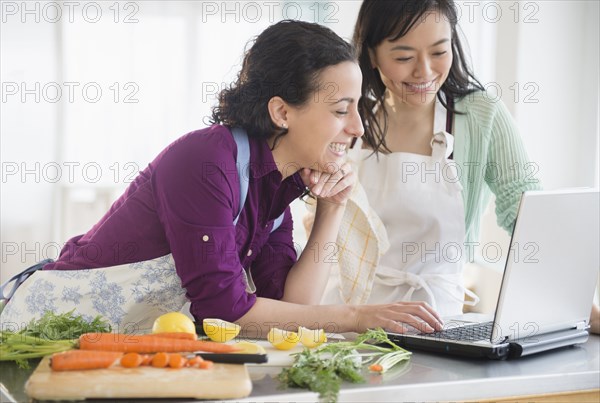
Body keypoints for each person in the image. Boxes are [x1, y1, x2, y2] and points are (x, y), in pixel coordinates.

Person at [0, 20, 445, 336]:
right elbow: (225, 313)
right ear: (282, 111)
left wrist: (331, 210)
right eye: (340, 110)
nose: (357, 129)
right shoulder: (207, 161)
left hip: (122, 344)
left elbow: (295, 308)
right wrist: (354, 316)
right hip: (48, 331)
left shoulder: (278, 183)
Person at [319, 0, 600, 333]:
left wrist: (583, 307)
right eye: (404, 57)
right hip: (346, 320)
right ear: (371, 55)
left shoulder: (482, 116)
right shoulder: (349, 119)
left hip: (437, 325)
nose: (424, 72)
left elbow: (529, 221)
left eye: (439, 51)